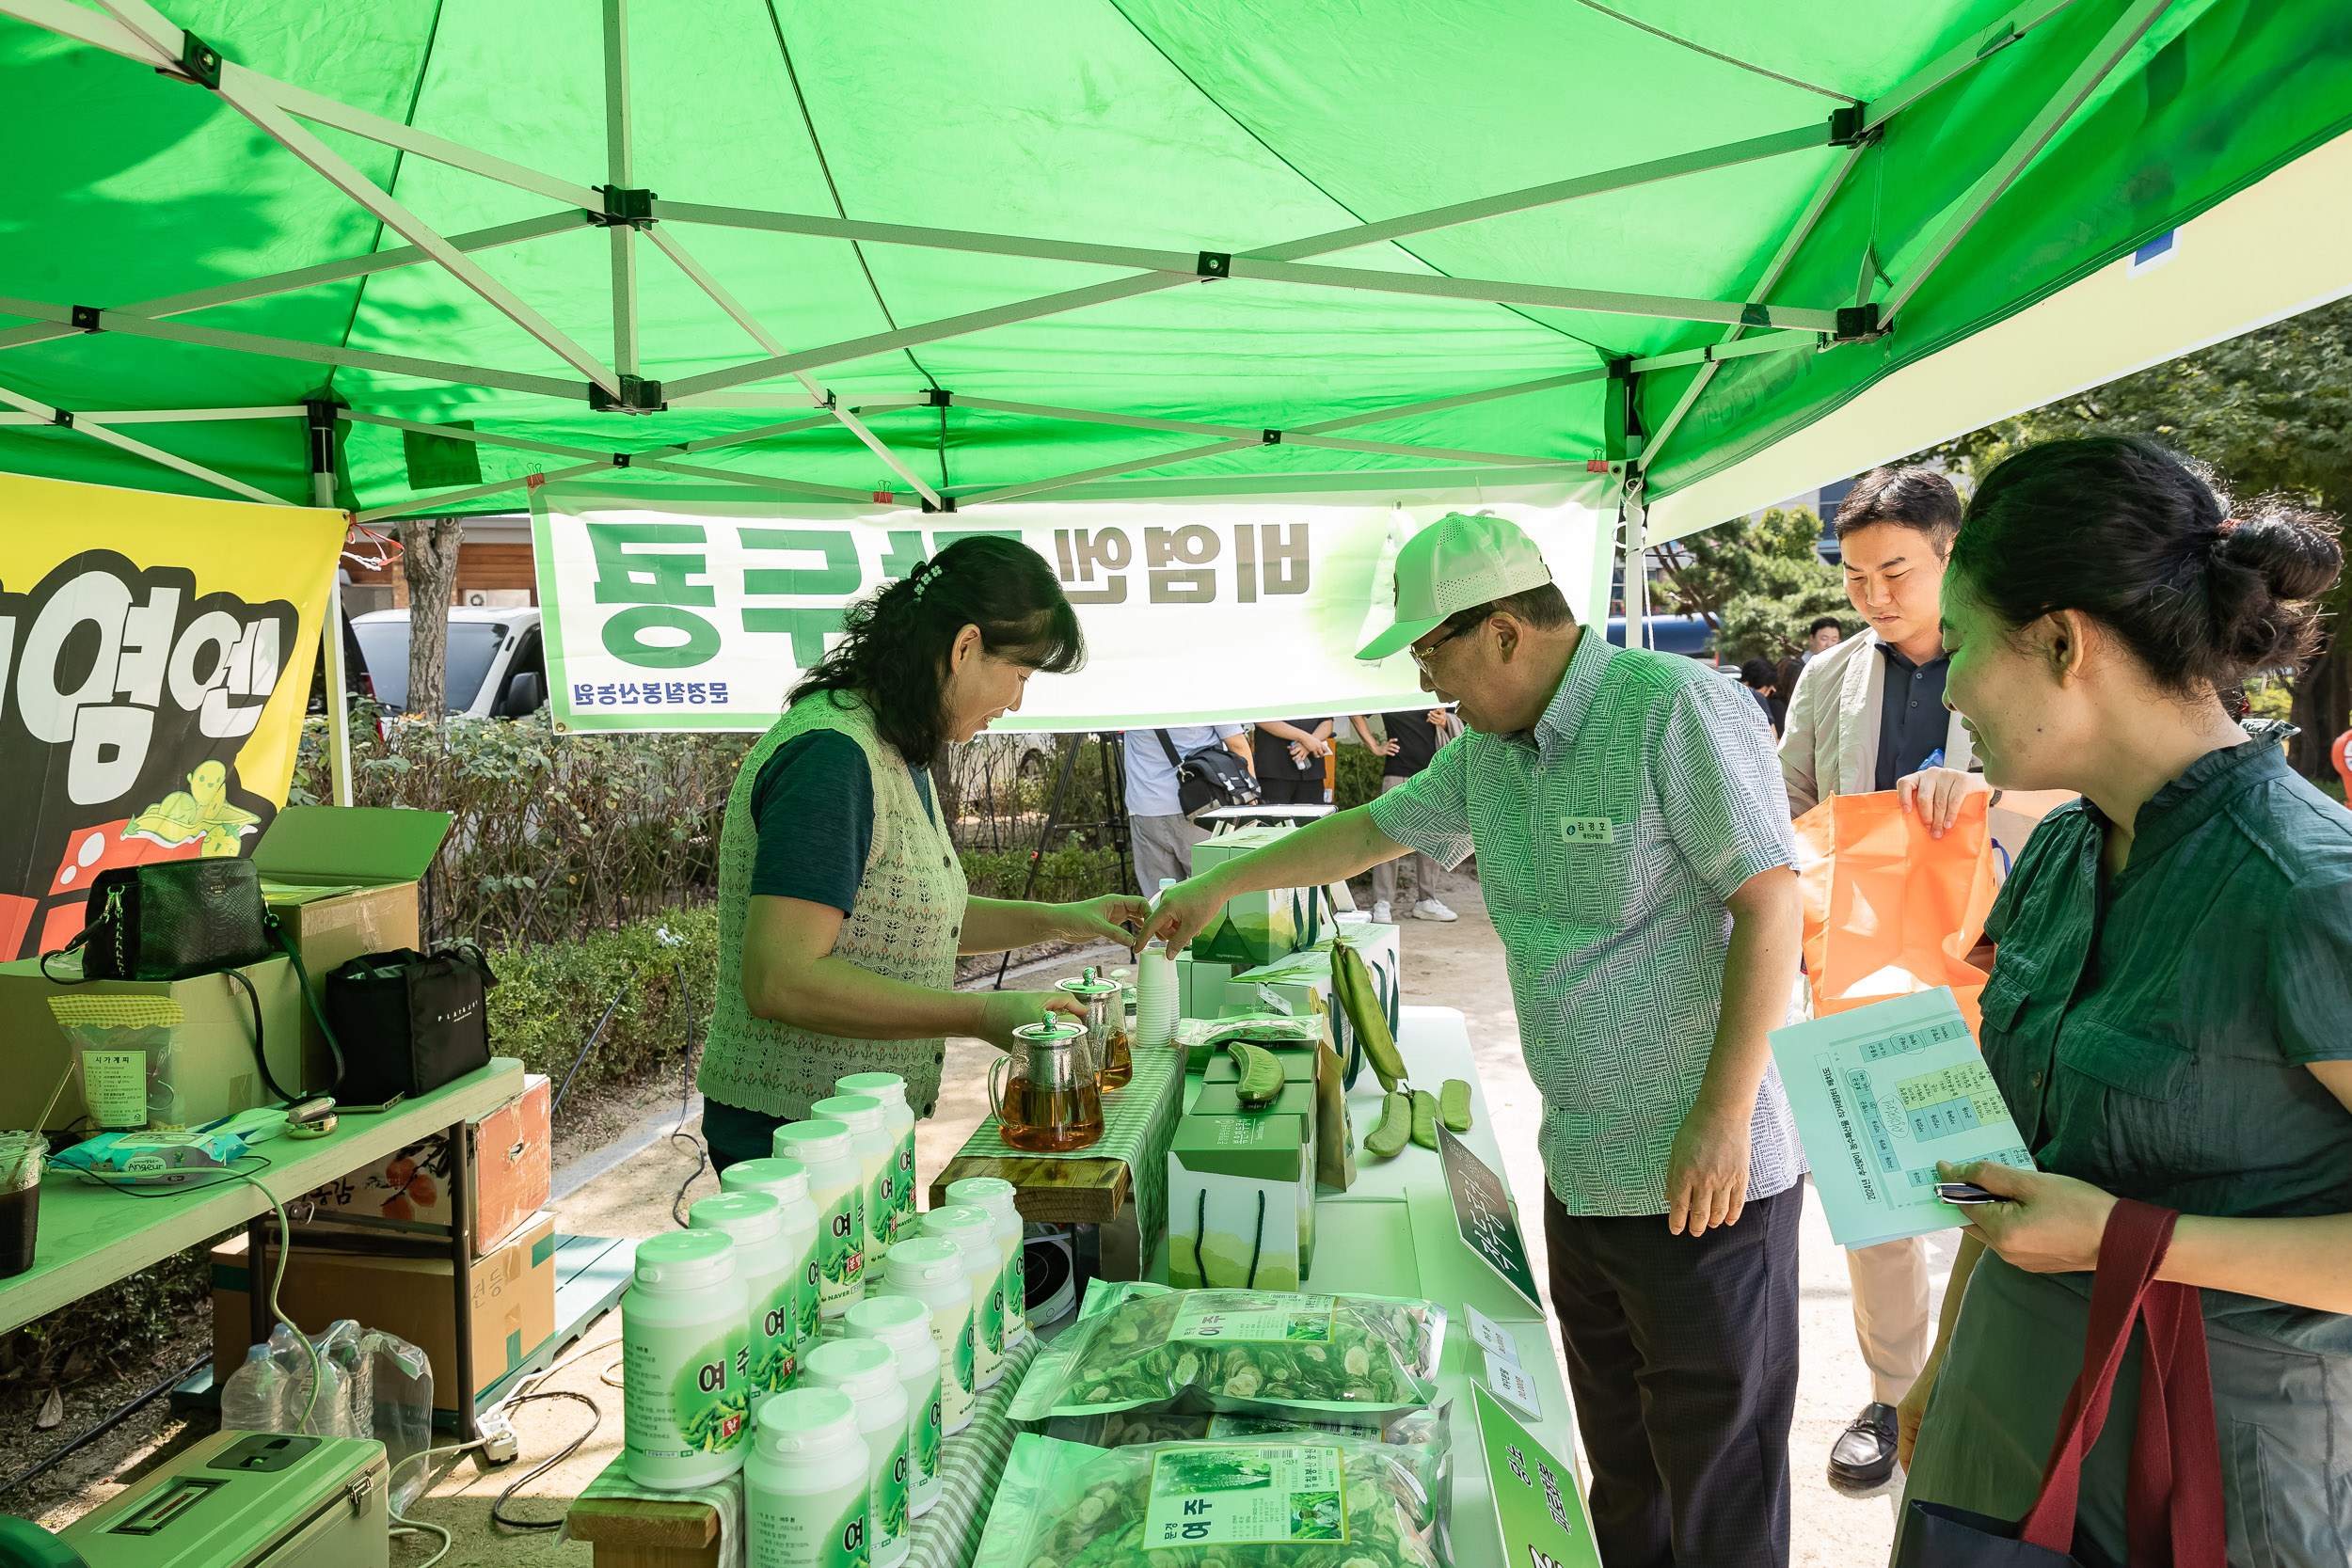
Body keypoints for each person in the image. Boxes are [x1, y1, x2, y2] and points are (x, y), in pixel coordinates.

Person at [1146, 512, 1808, 1568]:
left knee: (1718, 1477)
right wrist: (1216, 881)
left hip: (1700, 1173)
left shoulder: (1673, 708)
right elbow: (1365, 832)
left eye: (1432, 651)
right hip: (1585, 1165)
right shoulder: (1494, 754)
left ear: (1503, 631)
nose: (1427, 683)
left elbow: (1771, 906)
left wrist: (1724, 1114)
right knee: (1626, 1466)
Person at [1894, 436, 2352, 1562]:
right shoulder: (2057, 849)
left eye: (1961, 640)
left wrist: (2129, 1239)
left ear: (2062, 642)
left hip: (2204, 1476)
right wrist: (1943, 1365)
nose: (1944, 684)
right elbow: (2008, 1157)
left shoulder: (2306, 888)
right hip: (1999, 1425)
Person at [699, 538, 1152, 1172]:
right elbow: (782, 977)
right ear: (965, 647)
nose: (1018, 702)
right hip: (791, 1141)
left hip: (853, 1128)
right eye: (1019, 675)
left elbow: (924, 921)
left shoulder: (892, 744)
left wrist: (1067, 918)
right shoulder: (834, 756)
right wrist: (980, 1012)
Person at [1777, 464, 1978, 1490]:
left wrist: (1980, 790)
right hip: (1861, 972)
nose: (1873, 594)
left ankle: (1988, 1388)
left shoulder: (2018, 657)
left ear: (1951, 551)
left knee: (1995, 1190)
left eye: (1894, 569)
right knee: (1878, 1199)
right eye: (1855, 576)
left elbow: (2077, 792)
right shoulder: (1829, 676)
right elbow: (1790, 806)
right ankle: (1894, 1393)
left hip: (1990, 974)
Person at [1347, 707, 1463, 923]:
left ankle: (1426, 901)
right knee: (1387, 838)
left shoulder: (1431, 689)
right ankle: (1382, 902)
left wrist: (1445, 721)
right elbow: (1355, 711)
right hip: (1397, 770)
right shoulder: (1390, 689)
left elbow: (1462, 717)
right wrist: (1374, 745)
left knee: (1432, 838)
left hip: (1434, 773)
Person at [1123, 722, 1253, 891]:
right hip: (1202, 805)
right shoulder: (1201, 697)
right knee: (1209, 892)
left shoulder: (1130, 698)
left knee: (1159, 900)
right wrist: (1251, 797)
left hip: (1145, 806)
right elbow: (1237, 744)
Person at [1252, 717, 1333, 803]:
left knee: (1313, 815)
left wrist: (1311, 742)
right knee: (1276, 815)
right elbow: (1261, 719)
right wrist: (1305, 739)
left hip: (1312, 771)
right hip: (1274, 770)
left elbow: (1327, 721)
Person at [1738, 658, 1783, 736]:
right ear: (1766, 686)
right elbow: (1772, 737)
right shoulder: (1757, 697)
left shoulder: (1730, 694)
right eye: (1769, 690)